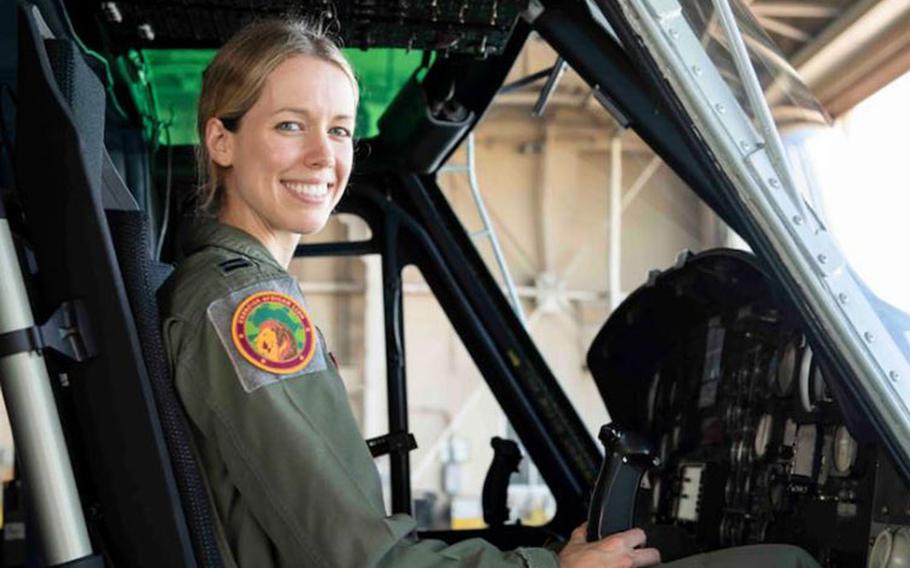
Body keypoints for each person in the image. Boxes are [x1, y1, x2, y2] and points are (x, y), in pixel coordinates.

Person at [159, 18, 821, 568]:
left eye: (336, 129)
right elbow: (360, 560)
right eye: (288, 126)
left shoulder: (229, 289)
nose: (323, 157)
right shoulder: (247, 311)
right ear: (221, 138)